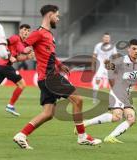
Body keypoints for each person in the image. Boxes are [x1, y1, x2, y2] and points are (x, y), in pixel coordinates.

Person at [13, 4, 101, 150]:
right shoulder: (39, 33)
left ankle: (21, 135)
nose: (58, 19)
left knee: (48, 113)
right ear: (49, 15)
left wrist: (60, 65)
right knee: (78, 100)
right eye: (57, 15)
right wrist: (23, 51)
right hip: (50, 78)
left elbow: (49, 55)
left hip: (45, 78)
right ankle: (82, 136)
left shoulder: (49, 35)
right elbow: (22, 45)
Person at [1, 24, 33, 116]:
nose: (26, 32)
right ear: (20, 30)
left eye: (28, 30)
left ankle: (10, 106)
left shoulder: (22, 43)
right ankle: (10, 105)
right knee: (22, 84)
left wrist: (27, 57)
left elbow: (17, 58)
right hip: (5, 66)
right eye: (25, 29)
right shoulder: (15, 38)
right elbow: (3, 44)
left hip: (2, 66)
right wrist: (9, 56)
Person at [92, 33, 118, 103]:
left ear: (110, 39)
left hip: (108, 66)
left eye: (108, 38)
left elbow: (115, 57)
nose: (106, 39)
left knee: (112, 83)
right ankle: (94, 99)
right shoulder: (98, 46)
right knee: (97, 81)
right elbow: (94, 56)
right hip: (100, 66)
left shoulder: (112, 47)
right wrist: (93, 65)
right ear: (103, 38)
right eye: (105, 37)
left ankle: (113, 98)